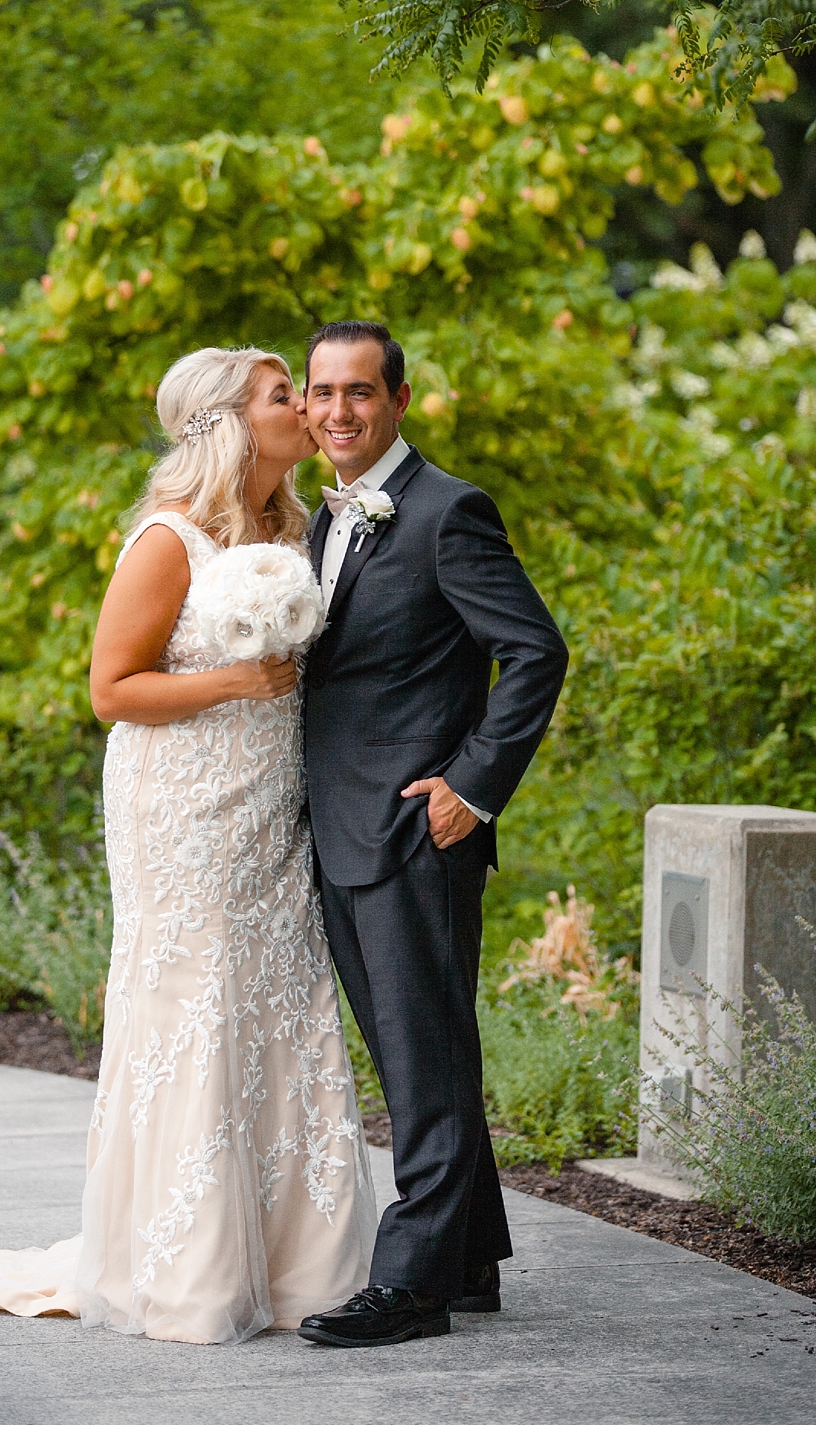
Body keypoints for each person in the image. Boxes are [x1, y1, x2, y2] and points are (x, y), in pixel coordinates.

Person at [0, 347, 377, 1344]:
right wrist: (233, 685)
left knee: (281, 1005)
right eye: (283, 396)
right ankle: (186, 1268)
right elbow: (111, 690)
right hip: (183, 814)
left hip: (271, 811)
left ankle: (301, 1268)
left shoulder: (293, 526)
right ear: (230, 425)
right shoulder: (167, 540)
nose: (305, 408)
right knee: (197, 1011)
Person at [293, 321, 569, 1349]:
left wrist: (471, 784)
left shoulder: (449, 512)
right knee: (418, 1053)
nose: (337, 412)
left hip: (415, 831)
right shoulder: (321, 523)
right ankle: (469, 1263)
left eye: (359, 393)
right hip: (339, 828)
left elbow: (535, 651)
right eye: (322, 392)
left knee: (423, 1058)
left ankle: (410, 1285)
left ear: (399, 402)